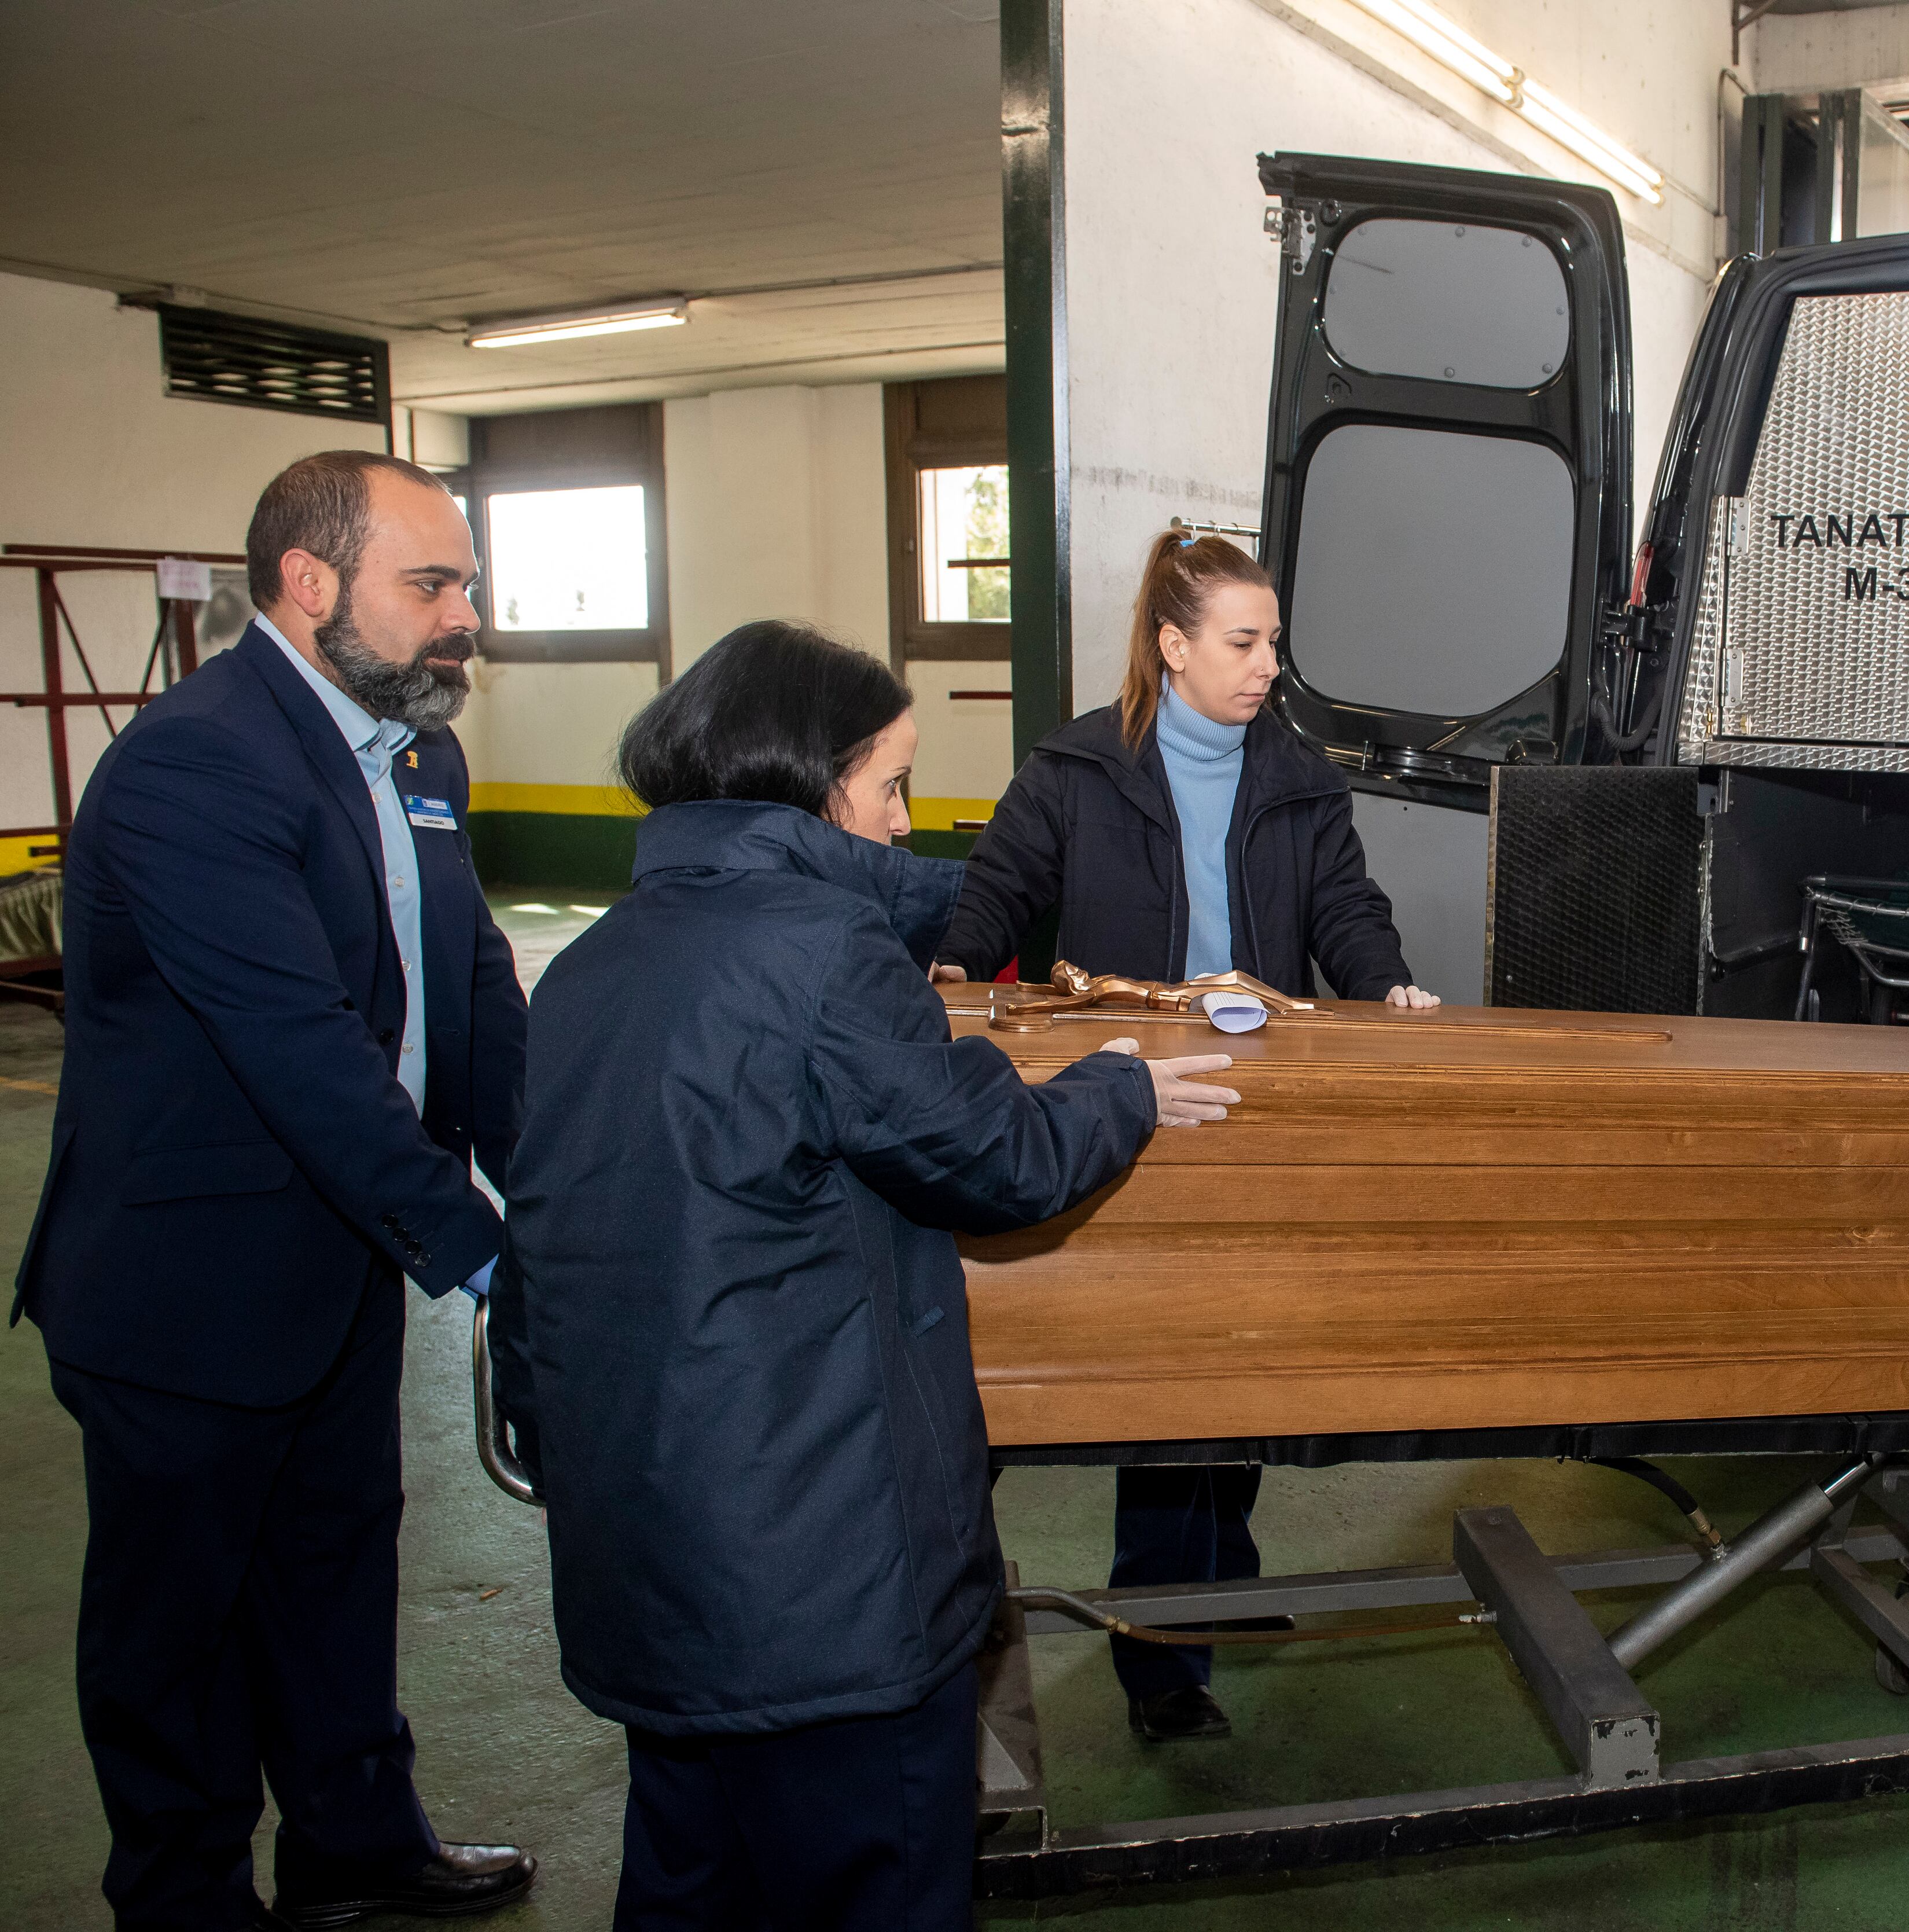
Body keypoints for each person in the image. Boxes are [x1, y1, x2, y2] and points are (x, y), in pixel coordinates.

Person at [491, 620, 1239, 1930]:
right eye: (890, 786)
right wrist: (1117, 1082)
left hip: (649, 1550)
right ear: (812, 783)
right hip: (822, 1574)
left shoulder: (596, 962)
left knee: (689, 1875)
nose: (902, 824)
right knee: (873, 1878)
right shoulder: (826, 955)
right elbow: (994, 1158)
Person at [12, 451, 537, 1931]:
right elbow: (293, 1046)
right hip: (186, 1285)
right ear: (309, 587)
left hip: (336, 1263)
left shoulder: (417, 755)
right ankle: (182, 1900)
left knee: (333, 1566)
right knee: (177, 1628)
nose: (463, 619)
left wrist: (561, 1185)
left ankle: (357, 1850)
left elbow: (476, 995)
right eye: (430, 586)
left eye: (467, 587)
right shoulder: (198, 762)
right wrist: (485, 1251)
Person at [933, 529, 1437, 1744]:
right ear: (1173, 644)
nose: (1268, 665)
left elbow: (1345, 911)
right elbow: (1000, 883)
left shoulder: (1299, 776)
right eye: (1243, 642)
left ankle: (1208, 1590)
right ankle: (1157, 1662)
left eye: (1273, 642)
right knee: (1151, 1379)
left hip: (1252, 1096)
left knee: (1236, 1354)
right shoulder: (1075, 766)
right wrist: (950, 958)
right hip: (1124, 1092)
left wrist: (1391, 988)